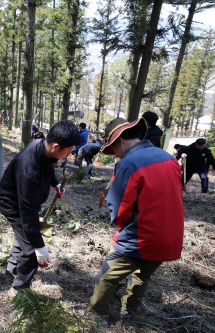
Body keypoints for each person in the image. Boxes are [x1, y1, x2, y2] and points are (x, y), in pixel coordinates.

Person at [89, 117, 184, 326]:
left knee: (107, 275)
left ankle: (97, 314)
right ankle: (129, 313)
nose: (114, 154)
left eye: (112, 148)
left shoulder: (128, 163)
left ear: (119, 141)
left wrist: (120, 225)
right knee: (143, 274)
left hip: (141, 237)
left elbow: (121, 210)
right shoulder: (168, 158)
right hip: (171, 235)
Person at [0, 120, 80, 295]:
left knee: (24, 236)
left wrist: (55, 183)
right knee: (30, 251)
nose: (70, 153)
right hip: (13, 204)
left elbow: (48, 167)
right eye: (69, 149)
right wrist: (39, 246)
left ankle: (11, 269)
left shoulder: (42, 146)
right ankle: (19, 290)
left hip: (25, 200)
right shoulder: (29, 169)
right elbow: (27, 212)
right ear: (56, 146)